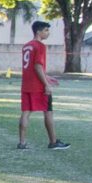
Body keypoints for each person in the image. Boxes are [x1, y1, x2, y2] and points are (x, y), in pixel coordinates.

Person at [18, 21, 70, 150]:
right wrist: (46, 84)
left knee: (26, 112)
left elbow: (32, 67)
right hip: (38, 86)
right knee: (48, 111)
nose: (48, 33)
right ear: (38, 32)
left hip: (26, 84)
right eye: (46, 30)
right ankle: (53, 142)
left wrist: (47, 76)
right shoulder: (40, 46)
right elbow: (37, 66)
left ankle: (22, 143)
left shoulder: (27, 46)